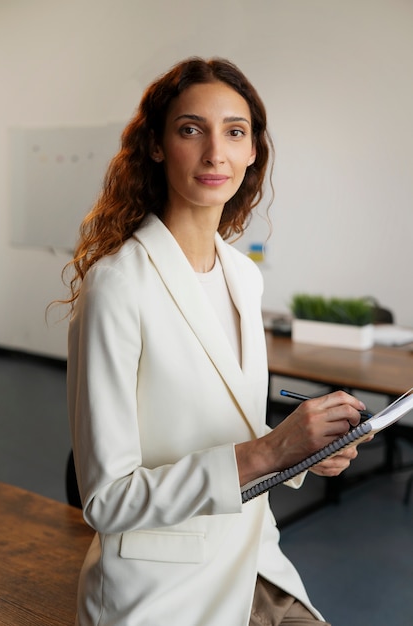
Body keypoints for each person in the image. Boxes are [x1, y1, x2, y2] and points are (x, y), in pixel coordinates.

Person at [63, 57, 368, 626]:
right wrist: (268, 452)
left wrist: (302, 451)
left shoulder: (242, 276)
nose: (214, 153)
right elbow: (104, 501)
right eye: (190, 129)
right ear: (156, 145)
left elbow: (238, 430)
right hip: (163, 589)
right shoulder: (118, 285)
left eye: (234, 131)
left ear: (254, 150)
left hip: (255, 562)